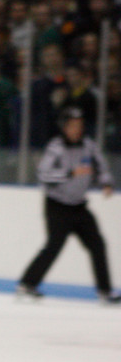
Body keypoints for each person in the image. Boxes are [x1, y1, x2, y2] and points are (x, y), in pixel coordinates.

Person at [17, 107, 120, 304]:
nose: (76, 130)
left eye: (79, 126)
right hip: (57, 205)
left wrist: (106, 183)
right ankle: (27, 284)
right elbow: (43, 175)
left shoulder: (89, 146)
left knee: (97, 245)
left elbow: (101, 168)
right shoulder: (55, 148)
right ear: (64, 128)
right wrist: (70, 173)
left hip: (79, 206)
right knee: (54, 245)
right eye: (72, 126)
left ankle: (105, 292)